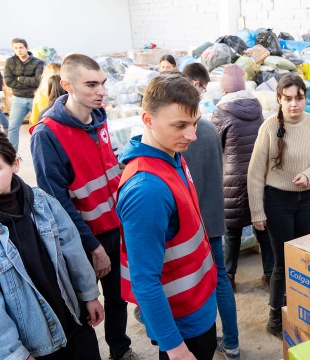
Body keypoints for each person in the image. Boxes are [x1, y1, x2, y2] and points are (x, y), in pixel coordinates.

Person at [30, 54, 138, 360]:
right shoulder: (47, 135)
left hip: (116, 230)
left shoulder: (100, 118)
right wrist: (93, 246)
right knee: (84, 306)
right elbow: (57, 205)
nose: (101, 91)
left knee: (117, 298)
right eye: (91, 84)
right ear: (67, 85)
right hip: (80, 242)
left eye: (102, 83)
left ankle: (120, 348)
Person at [117, 72, 218, 360]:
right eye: (181, 125)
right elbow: (144, 280)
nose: (193, 135)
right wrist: (175, 348)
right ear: (148, 120)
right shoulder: (147, 189)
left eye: (195, 123)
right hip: (182, 323)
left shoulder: (172, 156)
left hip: (197, 305)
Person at [0, 133, 104, 360]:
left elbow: (73, 249)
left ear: (15, 164)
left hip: (74, 321)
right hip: (36, 348)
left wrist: (89, 295)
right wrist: (14, 353)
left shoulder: (43, 203)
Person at [248, 73, 310, 337]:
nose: (294, 104)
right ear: (279, 100)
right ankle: (275, 319)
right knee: (283, 261)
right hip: (277, 201)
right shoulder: (269, 127)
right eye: (288, 98)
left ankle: (298, 309)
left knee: (303, 259)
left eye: (299, 98)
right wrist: (257, 211)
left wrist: (309, 174)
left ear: (306, 98)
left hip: (305, 200)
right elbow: (256, 172)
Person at [181, 63, 240, 360]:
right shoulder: (207, 127)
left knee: (198, 284)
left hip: (193, 225)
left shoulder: (185, 135)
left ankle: (202, 339)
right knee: (220, 281)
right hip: (215, 218)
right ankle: (231, 342)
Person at [211, 64, 274, 294]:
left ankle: (229, 277)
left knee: (232, 232)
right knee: (263, 228)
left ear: (224, 88)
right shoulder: (258, 110)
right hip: (259, 177)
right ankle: (269, 275)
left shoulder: (220, 113)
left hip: (232, 181)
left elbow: (214, 146)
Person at [4, 38, 44, 150]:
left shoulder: (38, 62)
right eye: (15, 48)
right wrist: (28, 82)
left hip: (34, 98)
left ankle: (41, 152)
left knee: (41, 126)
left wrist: (20, 78)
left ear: (27, 48)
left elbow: (38, 81)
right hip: (18, 99)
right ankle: (12, 156)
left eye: (21, 47)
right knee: (13, 128)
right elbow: (9, 81)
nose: (19, 50)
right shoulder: (10, 62)